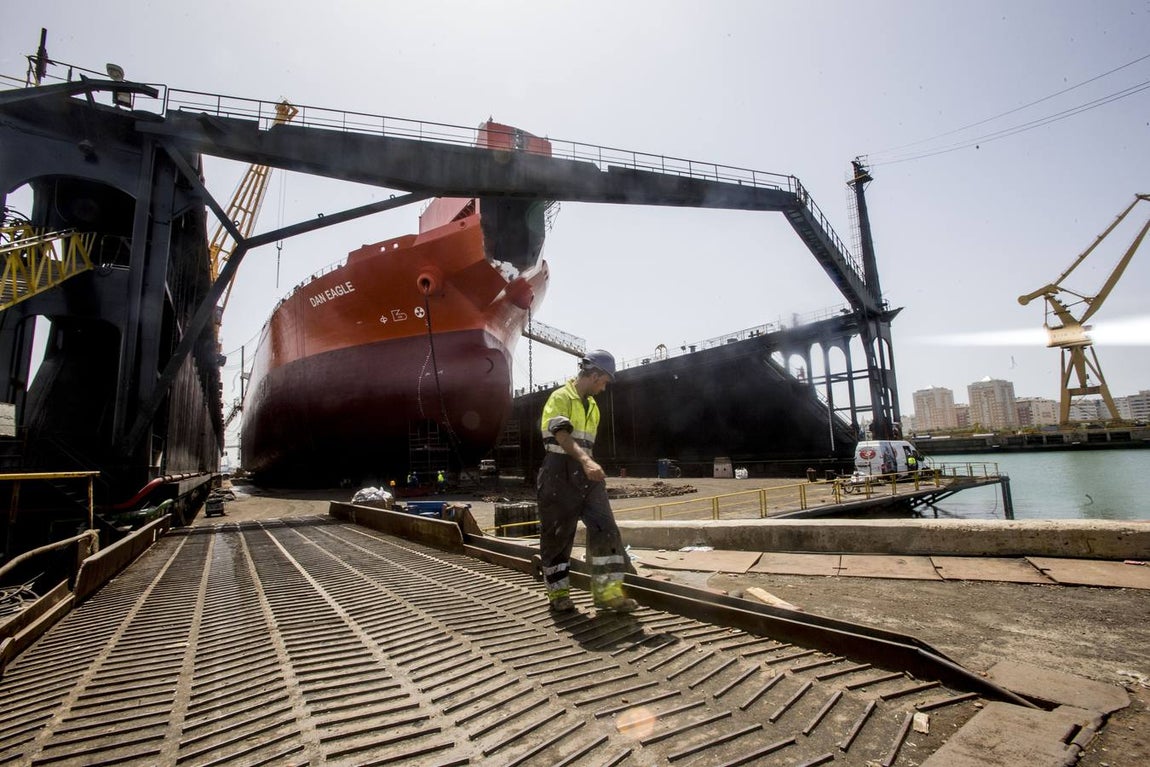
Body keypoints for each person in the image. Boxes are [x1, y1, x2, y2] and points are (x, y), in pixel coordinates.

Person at [537, 349, 637, 613]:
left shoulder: (593, 406)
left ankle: (608, 595)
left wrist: (589, 464)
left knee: (606, 529)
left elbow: (585, 444)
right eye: (604, 382)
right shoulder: (560, 397)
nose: (604, 388)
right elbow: (561, 435)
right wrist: (587, 461)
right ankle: (558, 594)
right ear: (594, 375)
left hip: (586, 476)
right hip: (559, 472)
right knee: (558, 535)